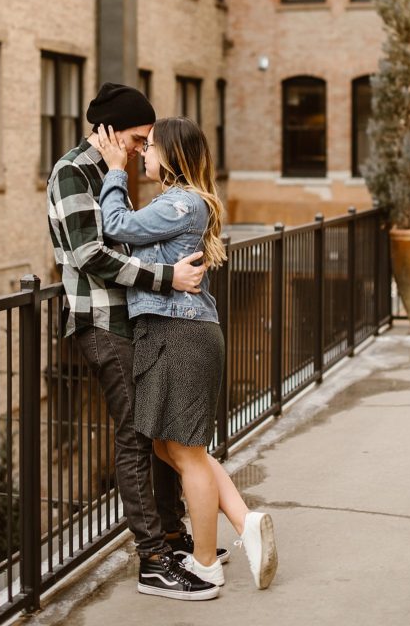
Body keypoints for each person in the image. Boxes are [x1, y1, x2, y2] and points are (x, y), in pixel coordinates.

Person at [47, 82, 220, 601]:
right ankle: (152, 561)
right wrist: (167, 279)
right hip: (102, 324)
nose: (146, 147)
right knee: (133, 437)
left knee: (155, 430)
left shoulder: (115, 172)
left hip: (140, 323)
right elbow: (91, 255)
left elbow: (139, 235)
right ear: (107, 131)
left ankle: (171, 538)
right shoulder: (73, 173)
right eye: (139, 137)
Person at [96, 116, 279, 591]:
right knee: (168, 446)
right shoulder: (182, 203)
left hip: (180, 333)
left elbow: (115, 225)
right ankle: (243, 521)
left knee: (186, 452)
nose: (143, 154)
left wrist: (116, 170)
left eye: (150, 147)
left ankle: (204, 563)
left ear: (173, 155)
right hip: (177, 332)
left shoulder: (180, 203)